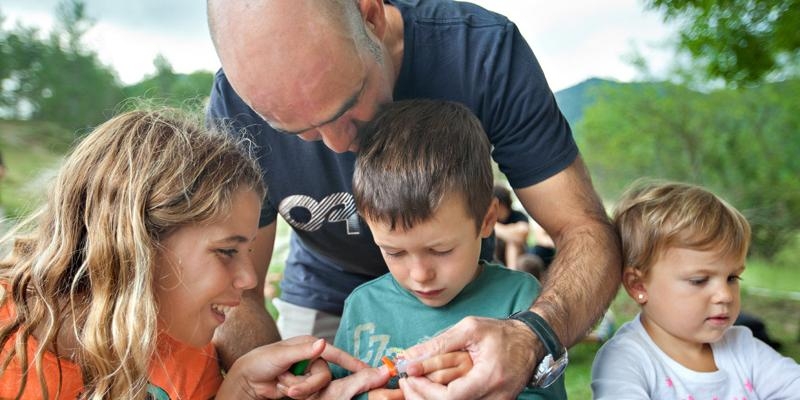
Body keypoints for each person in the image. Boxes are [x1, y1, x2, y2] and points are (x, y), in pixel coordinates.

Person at [206, 0, 621, 396]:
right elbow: (233, 290)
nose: (337, 145)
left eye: (347, 105)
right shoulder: (235, 106)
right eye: (297, 130)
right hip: (323, 294)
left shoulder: (480, 53)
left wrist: (531, 335)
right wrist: (287, 390)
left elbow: (583, 229)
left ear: (370, 16)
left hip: (474, 297)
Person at [0, 109, 389, 399]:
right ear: (138, 242)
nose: (249, 279)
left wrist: (239, 389)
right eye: (226, 251)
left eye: (248, 251)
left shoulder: (189, 351)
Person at [331, 100, 566, 399]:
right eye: (394, 252)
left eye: (441, 250)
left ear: (487, 220)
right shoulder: (362, 306)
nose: (420, 275)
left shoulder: (521, 300)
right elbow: (340, 389)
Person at [591, 180, 800, 399]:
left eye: (732, 277)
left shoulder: (742, 347)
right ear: (638, 285)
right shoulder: (625, 361)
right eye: (699, 280)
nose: (725, 295)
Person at [493, 184, 531, 269]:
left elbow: (521, 235)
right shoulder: (490, 217)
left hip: (518, 253)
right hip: (497, 252)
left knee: (513, 242)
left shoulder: (518, 216)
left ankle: (512, 272)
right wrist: (511, 230)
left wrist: (495, 228)